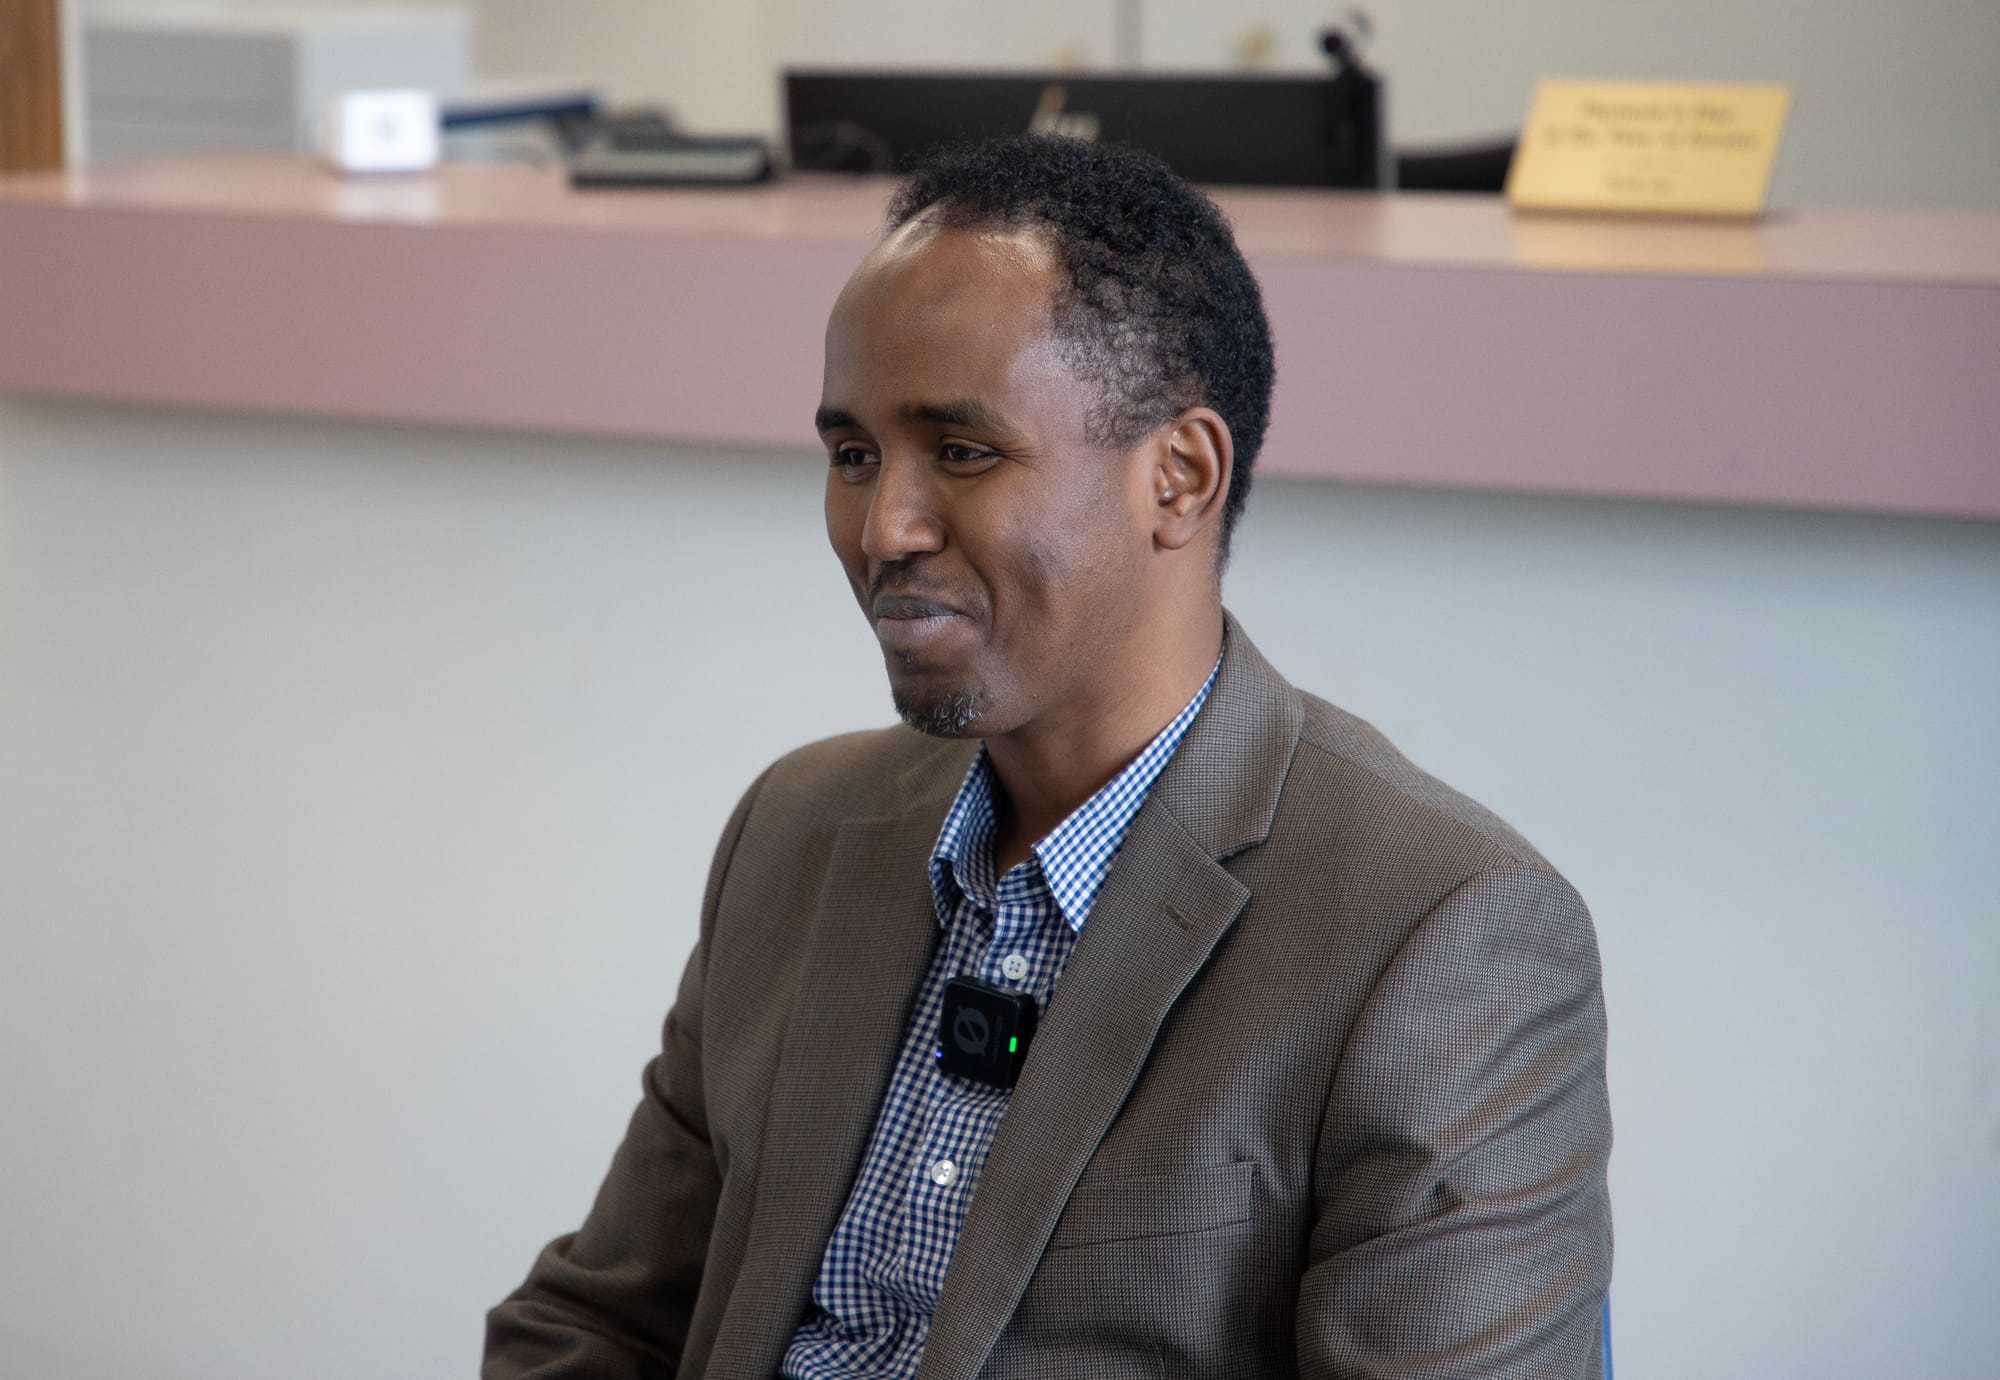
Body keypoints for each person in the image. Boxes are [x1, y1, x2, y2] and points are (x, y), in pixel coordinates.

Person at [484, 133, 1611, 1379]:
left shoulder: (1442, 940)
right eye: (851, 454)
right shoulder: (797, 830)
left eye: (961, 453)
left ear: (1177, 478)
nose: (881, 527)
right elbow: (600, 1323)